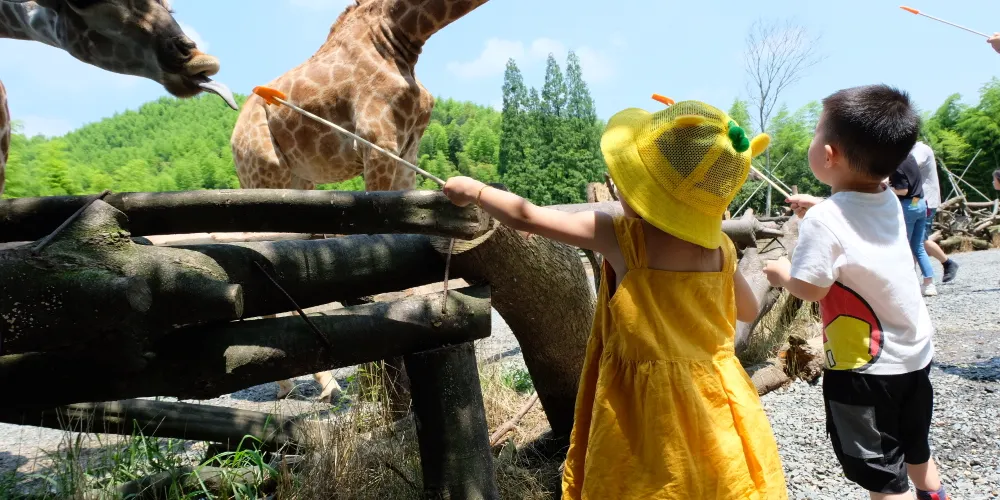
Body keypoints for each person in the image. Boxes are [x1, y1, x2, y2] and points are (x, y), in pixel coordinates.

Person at [443, 99, 787, 498]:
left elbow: (528, 218)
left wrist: (475, 190)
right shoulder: (722, 249)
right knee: (715, 479)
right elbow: (748, 308)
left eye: (628, 177)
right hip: (717, 393)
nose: (616, 183)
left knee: (647, 482)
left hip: (649, 404)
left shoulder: (623, 238)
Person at [763, 84, 945, 500]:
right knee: (915, 449)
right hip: (915, 358)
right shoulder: (888, 199)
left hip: (866, 372)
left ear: (828, 155)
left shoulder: (824, 220)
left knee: (883, 477)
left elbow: (811, 288)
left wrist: (781, 274)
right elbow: (855, 211)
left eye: (815, 133)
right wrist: (822, 204)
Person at [912, 141, 960, 283]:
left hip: (924, 200)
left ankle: (947, 263)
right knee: (913, 237)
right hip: (915, 199)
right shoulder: (910, 150)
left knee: (920, 239)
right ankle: (914, 276)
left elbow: (912, 166)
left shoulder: (920, 149)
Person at [891, 152, 938, 296]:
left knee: (904, 246)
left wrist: (888, 189)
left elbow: (903, 190)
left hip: (908, 206)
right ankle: (929, 283)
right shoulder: (910, 157)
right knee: (918, 246)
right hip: (920, 202)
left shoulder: (896, 165)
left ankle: (907, 284)